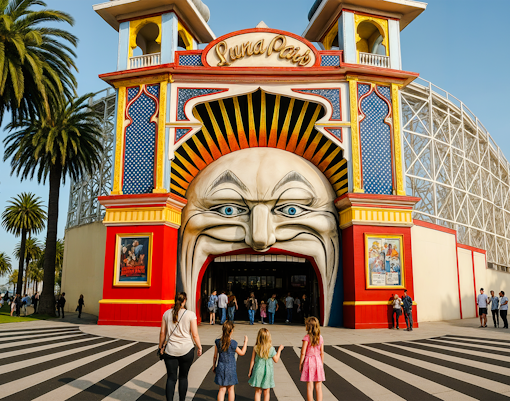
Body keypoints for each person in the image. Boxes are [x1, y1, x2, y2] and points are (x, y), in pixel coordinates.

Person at [159, 292, 203, 401]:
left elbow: (162, 333)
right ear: (185, 301)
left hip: (170, 350)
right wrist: (199, 346)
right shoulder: (190, 314)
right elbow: (195, 334)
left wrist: (160, 347)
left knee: (171, 378)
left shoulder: (166, 314)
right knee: (183, 377)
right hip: (186, 349)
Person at [212, 321, 248, 401]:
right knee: (231, 389)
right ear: (231, 331)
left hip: (221, 366)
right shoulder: (233, 343)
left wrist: (214, 366)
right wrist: (245, 342)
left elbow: (215, 356)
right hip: (231, 368)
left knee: (222, 390)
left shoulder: (218, 342)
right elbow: (242, 353)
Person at [248, 328, 284, 401]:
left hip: (258, 370)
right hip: (267, 372)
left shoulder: (256, 347)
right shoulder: (271, 349)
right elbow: (276, 359)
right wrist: (279, 350)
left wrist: (250, 371)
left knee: (257, 391)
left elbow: (252, 360)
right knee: (266, 392)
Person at [300, 317, 325, 401]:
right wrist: (321, 363)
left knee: (309, 387)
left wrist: (301, 364)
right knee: (318, 386)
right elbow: (322, 352)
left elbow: (303, 352)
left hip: (309, 362)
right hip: (318, 361)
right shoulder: (320, 337)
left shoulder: (306, 337)